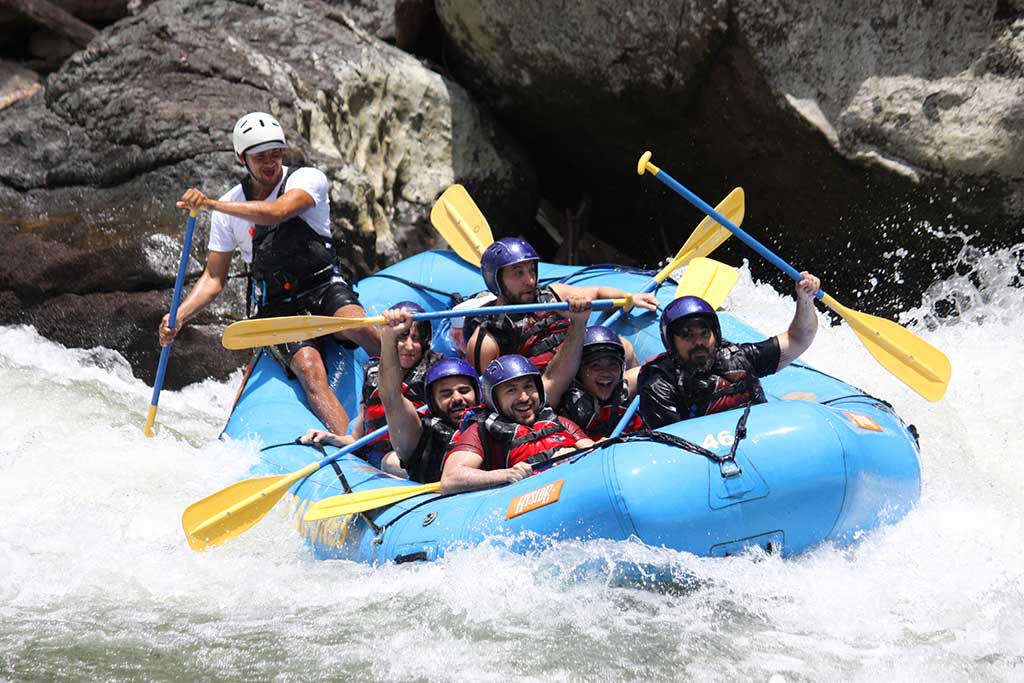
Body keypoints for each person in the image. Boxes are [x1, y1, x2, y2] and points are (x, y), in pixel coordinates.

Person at [161, 111, 380, 435]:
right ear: (242, 158)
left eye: (276, 153)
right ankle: (350, 444)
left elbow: (277, 213)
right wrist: (178, 316)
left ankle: (422, 389)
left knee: (358, 327)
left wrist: (211, 204)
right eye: (260, 156)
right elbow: (214, 277)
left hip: (322, 284)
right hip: (279, 303)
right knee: (309, 370)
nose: (271, 162)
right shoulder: (229, 207)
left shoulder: (307, 179)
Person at [638, 273, 821, 429]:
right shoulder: (660, 387)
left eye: (704, 333)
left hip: (760, 435)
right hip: (715, 456)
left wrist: (805, 299)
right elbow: (674, 451)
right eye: (687, 335)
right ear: (672, 343)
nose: (698, 342)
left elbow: (798, 339)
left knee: (806, 399)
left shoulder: (739, 358)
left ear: (715, 335)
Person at [463, 237, 659, 374]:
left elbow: (597, 293)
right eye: (518, 273)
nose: (530, 280)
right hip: (547, 385)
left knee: (624, 347)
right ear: (496, 280)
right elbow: (485, 392)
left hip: (583, 366)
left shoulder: (554, 294)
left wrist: (630, 298)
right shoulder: (487, 340)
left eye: (532, 270)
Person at [441, 354, 597, 494]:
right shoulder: (480, 432)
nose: (524, 397)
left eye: (528, 386)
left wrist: (574, 456)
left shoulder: (560, 422)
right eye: (511, 390)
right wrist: (506, 474)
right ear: (494, 399)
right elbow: (450, 478)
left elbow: (594, 450)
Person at [346, 301, 440, 467]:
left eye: (416, 339)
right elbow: (356, 438)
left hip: (411, 458)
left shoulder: (436, 373)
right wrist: (330, 439)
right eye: (402, 337)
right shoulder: (373, 372)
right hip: (373, 458)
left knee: (392, 462)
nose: (409, 346)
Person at [556, 325, 644, 440]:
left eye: (613, 365)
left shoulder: (626, 388)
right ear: (578, 371)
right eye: (596, 366)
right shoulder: (563, 401)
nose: (606, 373)